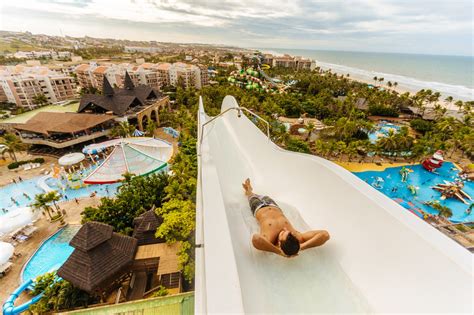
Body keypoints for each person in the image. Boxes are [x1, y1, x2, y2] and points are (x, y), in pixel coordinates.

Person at [242, 178, 330, 257]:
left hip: (257, 207)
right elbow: (325, 235)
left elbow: (256, 239)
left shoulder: (269, 239)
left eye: (283, 233)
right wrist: (300, 247)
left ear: (279, 243)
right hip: (273, 204)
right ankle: (251, 191)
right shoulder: (297, 237)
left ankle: (249, 191)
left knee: (250, 195)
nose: (284, 229)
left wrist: (279, 252)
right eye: (287, 231)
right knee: (264, 196)